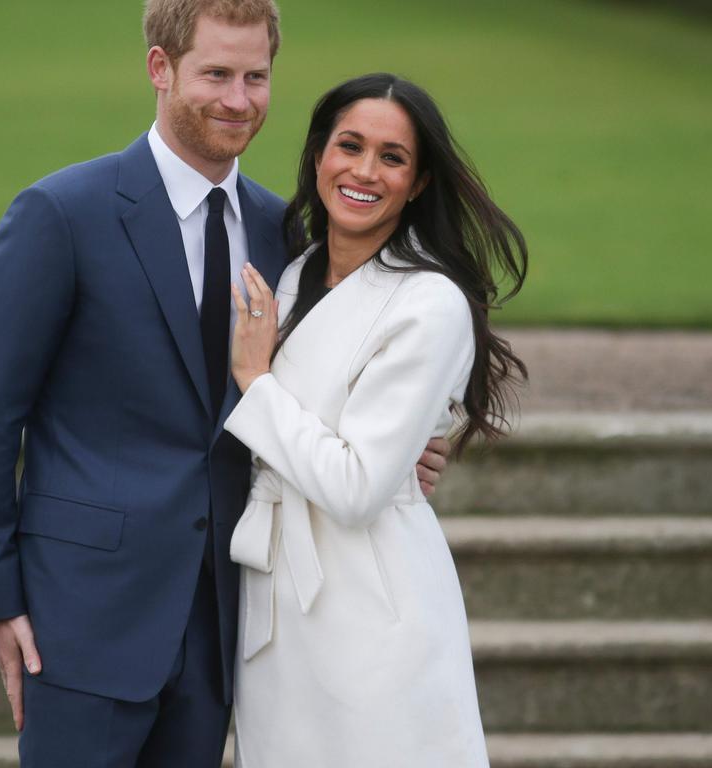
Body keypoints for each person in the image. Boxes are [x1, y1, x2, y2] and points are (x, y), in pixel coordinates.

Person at [0, 3, 450, 765]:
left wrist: (398, 442)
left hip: (225, 629)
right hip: (80, 623)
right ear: (160, 69)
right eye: (215, 74)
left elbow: (311, 387)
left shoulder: (289, 237)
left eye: (256, 77)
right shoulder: (61, 215)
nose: (238, 100)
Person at [223, 73, 528, 767]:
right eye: (349, 146)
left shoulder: (429, 304)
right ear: (319, 155)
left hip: (372, 603)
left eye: (392, 157)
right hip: (273, 603)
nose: (364, 171)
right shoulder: (291, 275)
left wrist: (254, 382)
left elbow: (358, 486)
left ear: (418, 182)